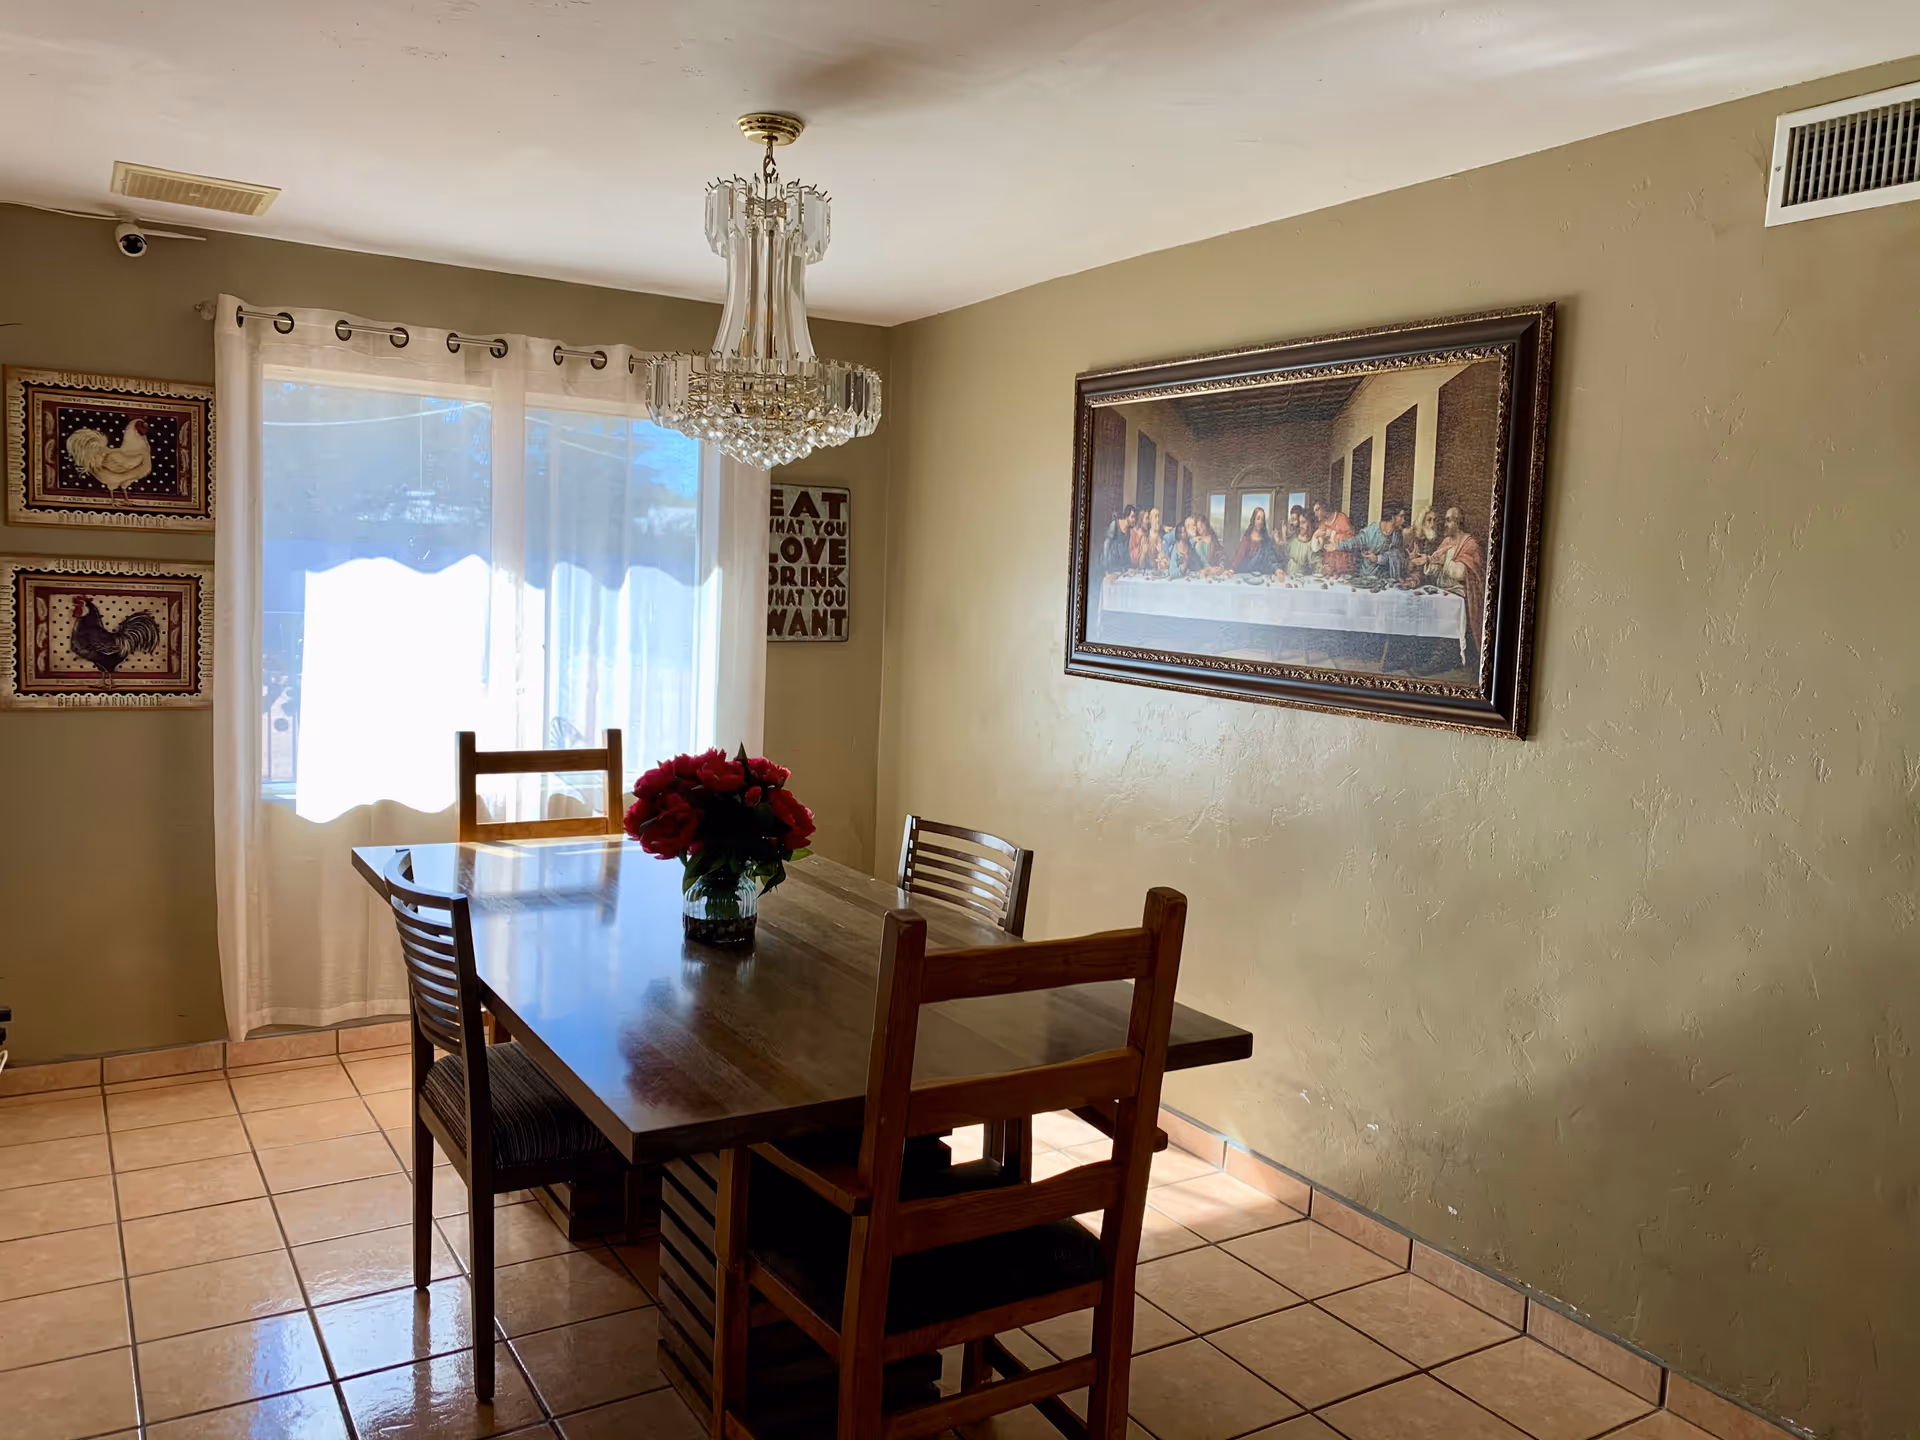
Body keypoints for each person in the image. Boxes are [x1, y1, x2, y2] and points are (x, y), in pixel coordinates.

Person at [1429, 505, 1487, 643]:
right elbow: (1436, 568)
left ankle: (1447, 650)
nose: (1445, 524)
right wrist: (1428, 561)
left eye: (1448, 520)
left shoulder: (1470, 544)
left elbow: (1461, 573)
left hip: (1461, 593)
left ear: (1458, 522)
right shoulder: (1446, 541)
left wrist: (1443, 561)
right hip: (1443, 590)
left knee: (1445, 610)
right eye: (1445, 520)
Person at [1335, 506, 1409, 581]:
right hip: (1367, 575)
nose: (1403, 520)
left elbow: (1396, 555)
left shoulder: (1397, 535)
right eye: (1401, 516)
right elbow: (1357, 541)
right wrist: (1338, 546)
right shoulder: (1373, 530)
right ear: (1393, 517)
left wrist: (1377, 559)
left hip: (1386, 578)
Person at [1312, 500, 1356, 577]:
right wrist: (1316, 537)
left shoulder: (1341, 518)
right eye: (1314, 511)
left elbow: (1352, 539)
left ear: (1324, 508)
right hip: (1329, 568)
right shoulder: (1322, 524)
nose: (1315, 514)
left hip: (1343, 566)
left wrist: (1333, 534)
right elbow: (1318, 548)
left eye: (1317, 510)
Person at [1231, 507, 1280, 575]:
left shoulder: (1266, 540)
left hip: (1262, 576)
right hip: (1247, 576)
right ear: (1253, 520)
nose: (1260, 521)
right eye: (1258, 518)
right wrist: (1232, 570)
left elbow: (1271, 558)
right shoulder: (1246, 539)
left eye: (1262, 519)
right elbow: (1238, 556)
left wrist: (1277, 569)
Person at [1101, 504, 1137, 574]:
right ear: (1126, 516)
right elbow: (1106, 547)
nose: (1134, 520)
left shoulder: (1128, 531)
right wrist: (1106, 570)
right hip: (1110, 568)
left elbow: (1125, 551)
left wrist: (1128, 568)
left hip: (1120, 568)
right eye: (1132, 517)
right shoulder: (1115, 525)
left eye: (1135, 517)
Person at [1283, 505, 1318, 577]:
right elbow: (1285, 556)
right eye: (1300, 522)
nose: (1300, 526)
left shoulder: (1313, 544)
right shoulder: (1293, 539)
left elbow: (1316, 568)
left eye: (1303, 522)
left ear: (1310, 524)